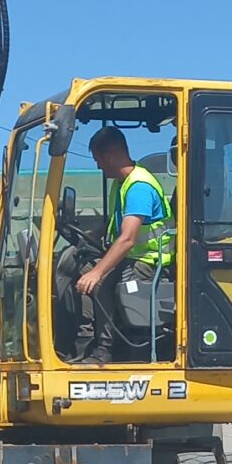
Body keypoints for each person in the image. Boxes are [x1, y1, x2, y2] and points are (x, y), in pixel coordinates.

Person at [74, 128, 177, 338]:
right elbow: (119, 222)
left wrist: (97, 273)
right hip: (133, 257)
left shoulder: (139, 187)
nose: (97, 166)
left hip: (148, 262)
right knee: (80, 268)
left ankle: (104, 347)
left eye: (97, 160)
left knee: (99, 282)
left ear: (109, 157)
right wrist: (93, 234)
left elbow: (127, 239)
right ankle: (83, 335)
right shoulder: (123, 183)